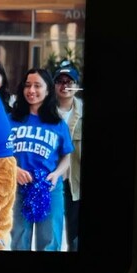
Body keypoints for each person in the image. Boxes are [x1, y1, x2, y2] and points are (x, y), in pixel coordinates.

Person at [8, 68, 73, 251]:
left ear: (48, 90)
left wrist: (56, 174)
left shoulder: (58, 123)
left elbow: (66, 156)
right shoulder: (10, 120)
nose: (32, 90)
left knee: (50, 242)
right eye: (28, 85)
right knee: (19, 241)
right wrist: (14, 169)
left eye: (38, 86)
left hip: (49, 187)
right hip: (18, 188)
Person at [53, 62, 83, 251]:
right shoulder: (44, 112)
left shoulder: (83, 113)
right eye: (60, 81)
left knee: (74, 232)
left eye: (69, 81)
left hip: (75, 182)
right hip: (50, 179)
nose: (65, 86)